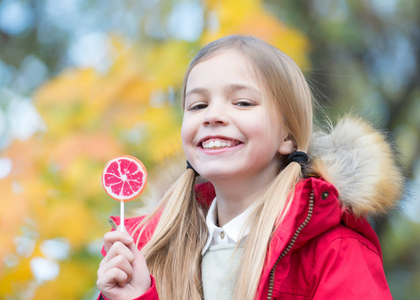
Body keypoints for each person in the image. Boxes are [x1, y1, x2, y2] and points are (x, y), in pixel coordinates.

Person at [96, 35, 404, 300]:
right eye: (198, 105)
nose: (212, 115)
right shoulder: (151, 252)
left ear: (288, 135)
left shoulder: (334, 249)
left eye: (242, 102)